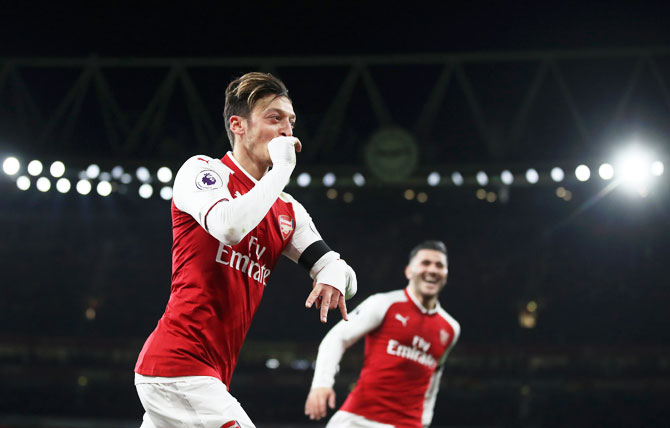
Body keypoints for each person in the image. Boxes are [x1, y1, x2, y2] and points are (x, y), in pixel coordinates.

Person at [134, 72, 357, 428]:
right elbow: (229, 227)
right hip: (179, 366)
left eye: (292, 121)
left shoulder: (288, 210)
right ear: (238, 125)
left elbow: (343, 273)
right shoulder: (202, 172)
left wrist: (332, 273)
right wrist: (281, 170)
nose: (288, 130)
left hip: (210, 374)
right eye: (274, 118)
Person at [304, 240, 459, 428]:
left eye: (439, 265)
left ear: (446, 274)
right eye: (425, 263)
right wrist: (322, 383)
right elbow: (337, 337)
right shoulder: (384, 303)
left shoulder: (450, 329)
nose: (433, 270)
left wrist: (425, 419)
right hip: (359, 420)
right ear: (409, 271)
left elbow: (434, 378)